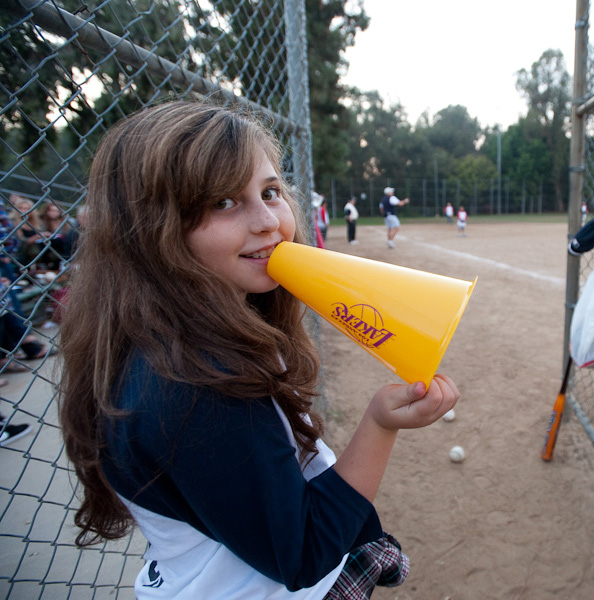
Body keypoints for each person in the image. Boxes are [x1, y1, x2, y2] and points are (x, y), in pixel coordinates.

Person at [57, 101, 459, 599]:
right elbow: (305, 552)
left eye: (270, 191)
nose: (269, 220)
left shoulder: (194, 335)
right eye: (224, 201)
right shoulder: (194, 383)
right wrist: (379, 424)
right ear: (150, 229)